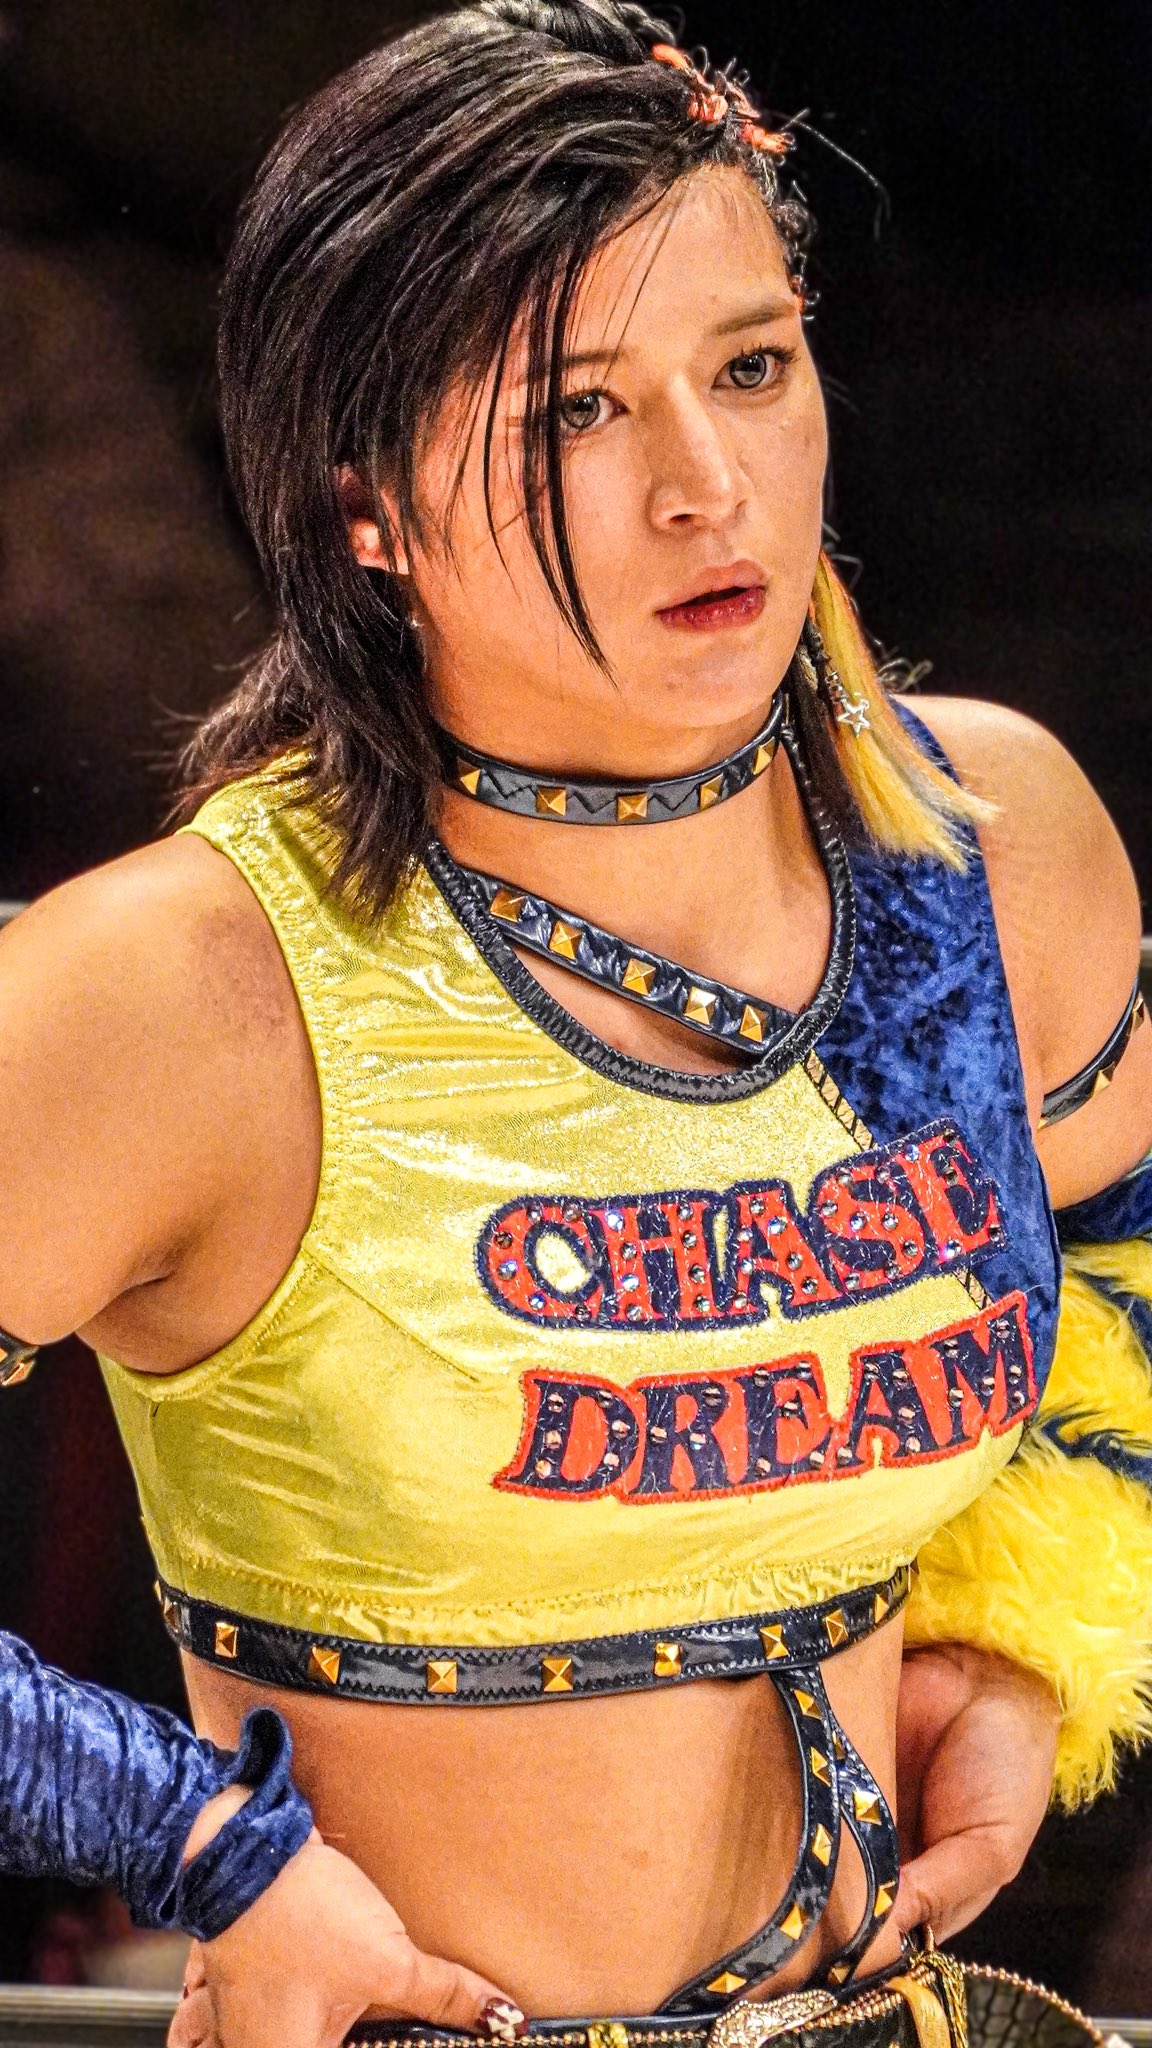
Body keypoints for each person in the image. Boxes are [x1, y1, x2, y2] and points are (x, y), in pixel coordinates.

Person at [3, 2, 1151, 2044]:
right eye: (576, 413)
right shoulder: (182, 991)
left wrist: (1023, 1633)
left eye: (751, 367)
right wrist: (199, 1837)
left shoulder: (987, 847)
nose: (709, 485)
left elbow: (1125, 1253)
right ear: (360, 502)